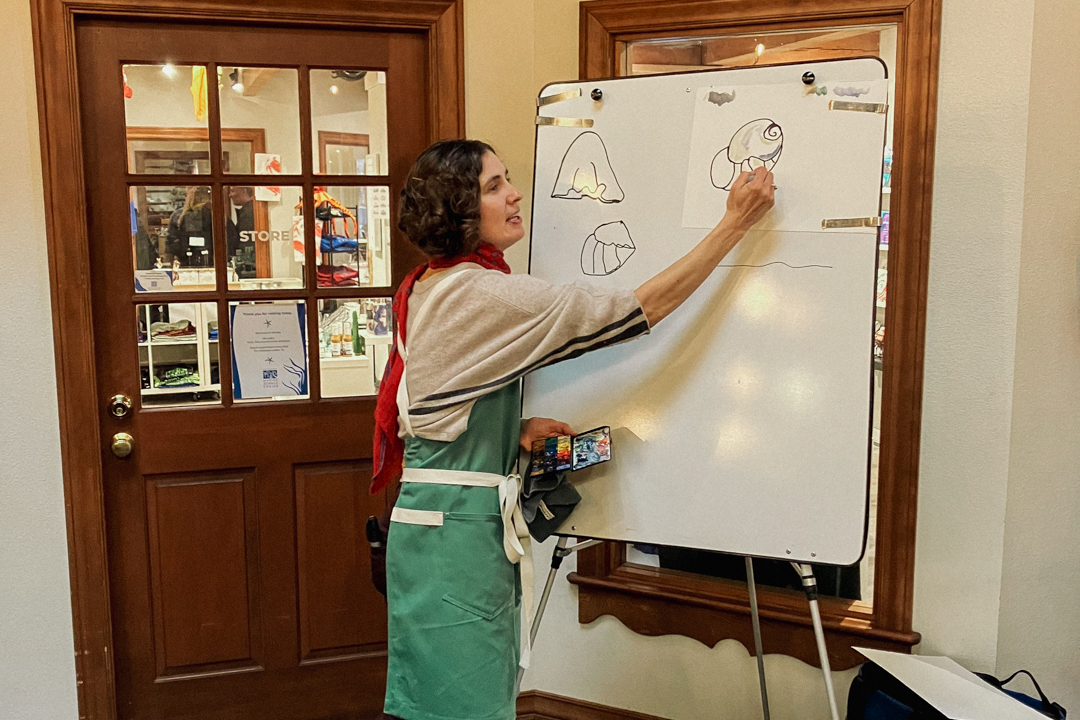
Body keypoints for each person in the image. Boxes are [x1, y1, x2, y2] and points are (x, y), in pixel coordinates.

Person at [372, 139, 774, 720]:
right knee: (463, 711)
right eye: (493, 186)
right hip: (452, 539)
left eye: (506, 179)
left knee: (449, 704)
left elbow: (430, 406)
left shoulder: (434, 284)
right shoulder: (481, 291)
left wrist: (509, 427)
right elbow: (638, 310)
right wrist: (733, 223)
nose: (514, 194)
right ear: (459, 210)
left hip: (441, 527)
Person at [226, 185, 256, 279]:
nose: (230, 195)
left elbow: (244, 242)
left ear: (243, 191)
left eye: (232, 191)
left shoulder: (249, 212)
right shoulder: (248, 210)